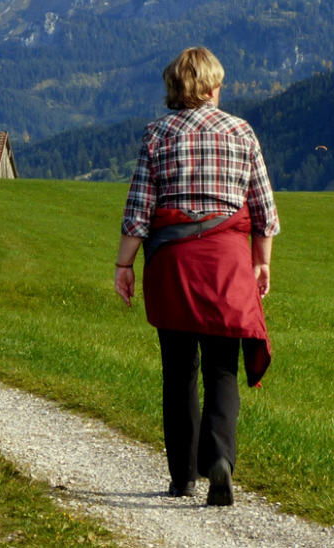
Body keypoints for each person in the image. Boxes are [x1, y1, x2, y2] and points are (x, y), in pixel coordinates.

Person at [114, 46, 280, 507]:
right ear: (210, 87)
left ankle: (182, 476)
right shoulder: (242, 132)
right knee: (222, 366)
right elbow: (264, 210)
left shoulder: (157, 135)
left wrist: (123, 265)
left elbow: (139, 212)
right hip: (227, 263)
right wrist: (261, 261)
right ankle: (220, 460)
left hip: (173, 265)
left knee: (179, 369)